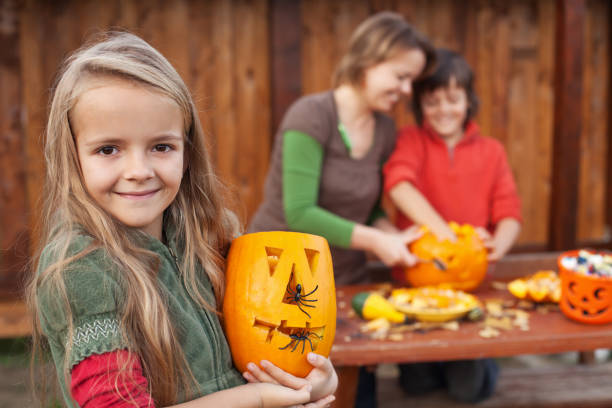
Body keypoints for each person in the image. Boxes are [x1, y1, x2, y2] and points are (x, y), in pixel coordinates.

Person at [26, 32, 337, 408]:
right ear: (72, 157)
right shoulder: (82, 269)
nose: (139, 170)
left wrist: (307, 382)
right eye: (108, 149)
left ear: (187, 152)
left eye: (161, 147)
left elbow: (269, 347)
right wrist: (256, 399)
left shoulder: (214, 234)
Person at [248, 12, 435, 408]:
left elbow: (366, 209)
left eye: (412, 81)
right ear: (368, 60)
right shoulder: (310, 116)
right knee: (294, 388)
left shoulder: (384, 130)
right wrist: (378, 242)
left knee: (356, 393)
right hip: (281, 283)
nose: (406, 90)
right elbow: (299, 212)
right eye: (401, 76)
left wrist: (395, 237)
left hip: (344, 280)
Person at [383, 48, 522, 402]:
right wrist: (444, 233)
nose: (444, 110)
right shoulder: (411, 141)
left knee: (468, 391)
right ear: (420, 106)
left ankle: (481, 364)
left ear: (468, 101)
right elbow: (399, 183)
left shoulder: (492, 151)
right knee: (417, 386)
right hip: (415, 287)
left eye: (453, 99)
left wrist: (496, 247)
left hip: (469, 287)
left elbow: (509, 212)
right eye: (433, 102)